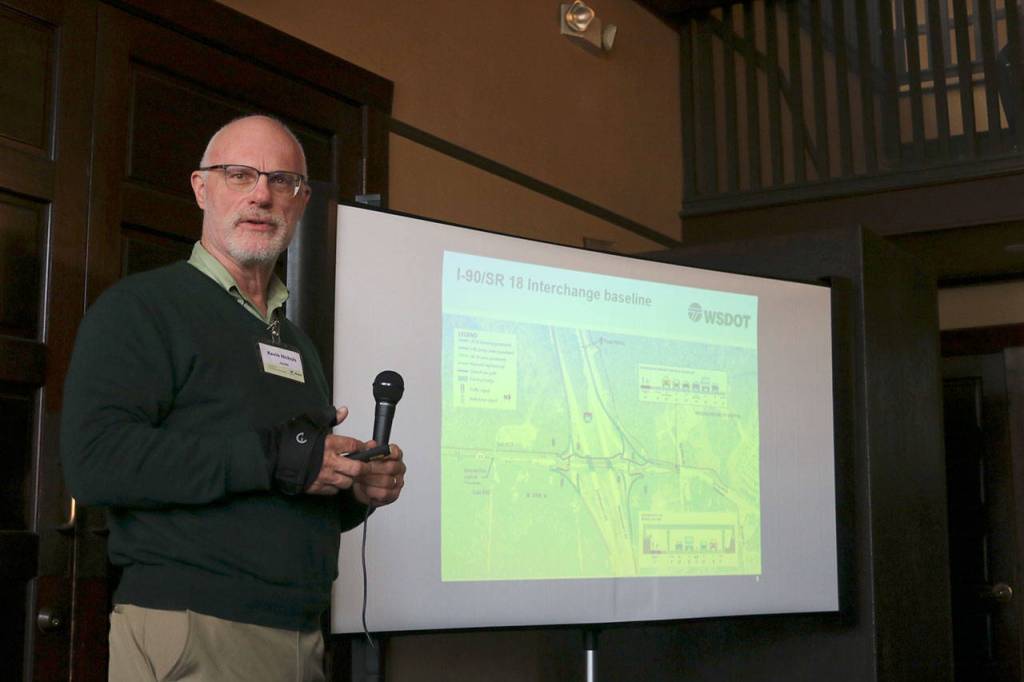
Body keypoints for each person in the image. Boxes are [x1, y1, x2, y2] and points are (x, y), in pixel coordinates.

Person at [60, 115, 405, 682]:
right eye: (240, 175)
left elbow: (278, 487)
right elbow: (96, 464)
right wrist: (273, 456)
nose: (262, 195)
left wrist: (352, 487)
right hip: (197, 629)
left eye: (282, 181)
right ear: (201, 188)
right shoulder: (142, 309)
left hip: (299, 632)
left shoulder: (293, 341)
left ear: (301, 201)